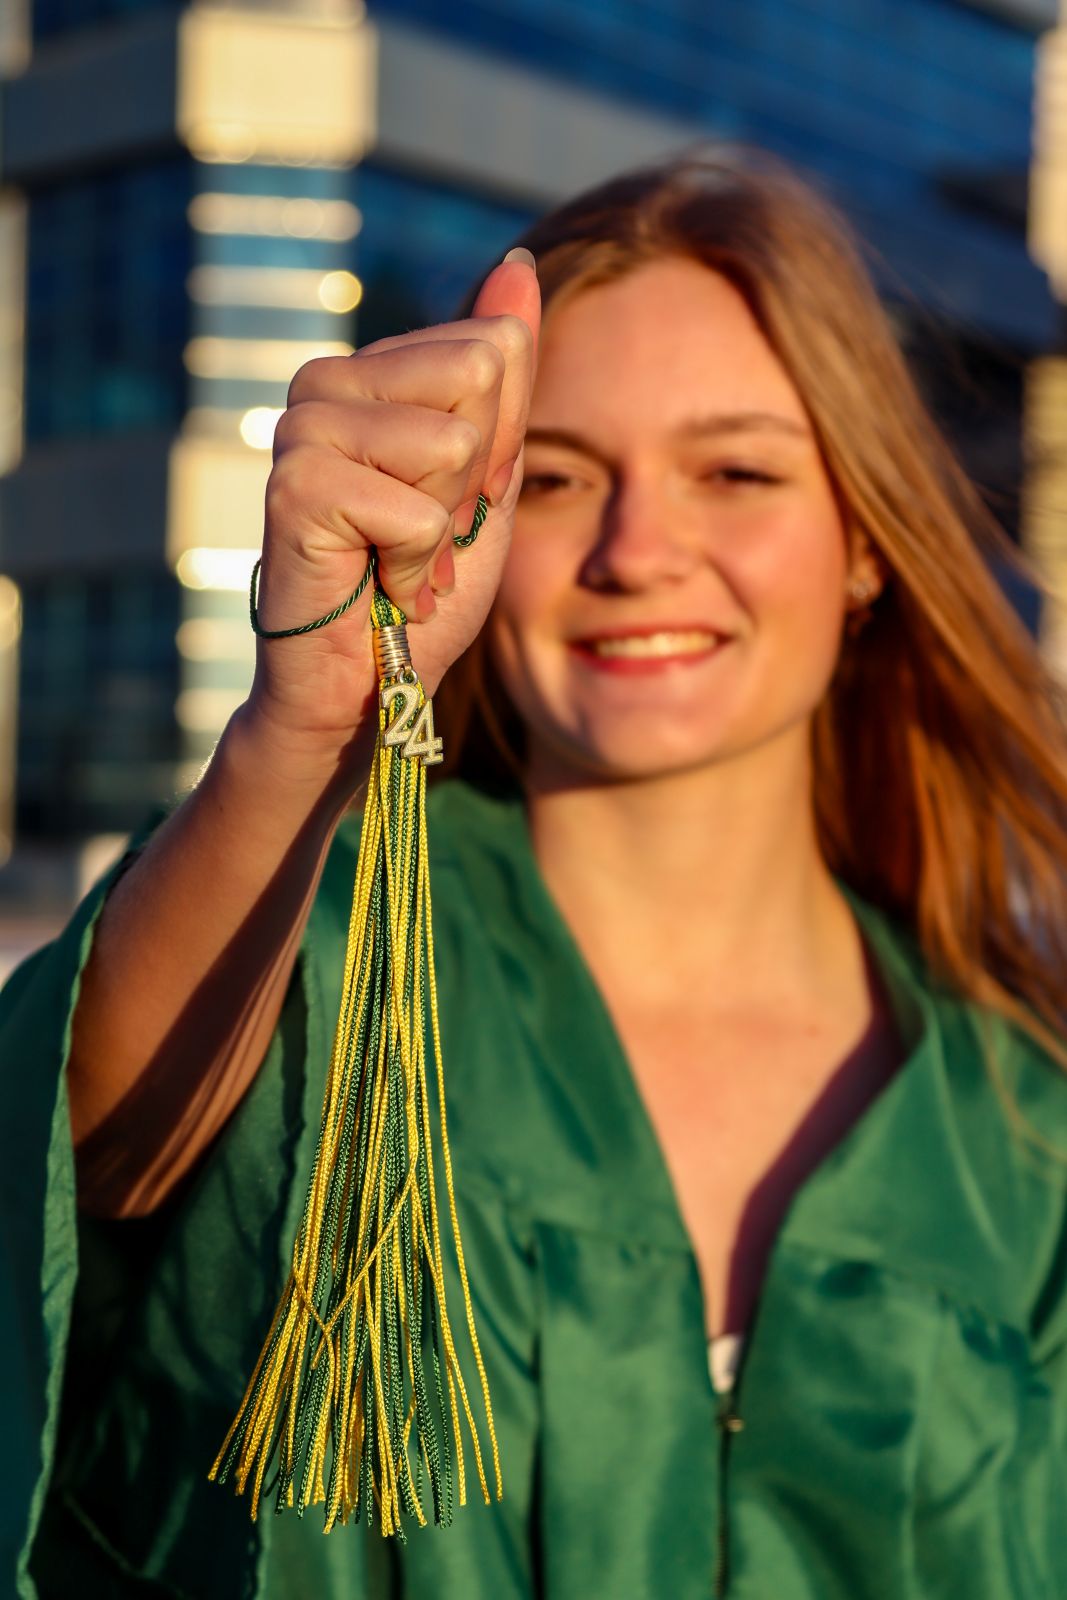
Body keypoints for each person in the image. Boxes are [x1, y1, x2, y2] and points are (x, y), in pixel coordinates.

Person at [5, 149, 1067, 1600]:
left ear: (866, 541)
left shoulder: (1018, 1131)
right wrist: (310, 719)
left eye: (735, 470)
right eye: (557, 478)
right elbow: (93, 1167)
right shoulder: (304, 941)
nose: (639, 550)